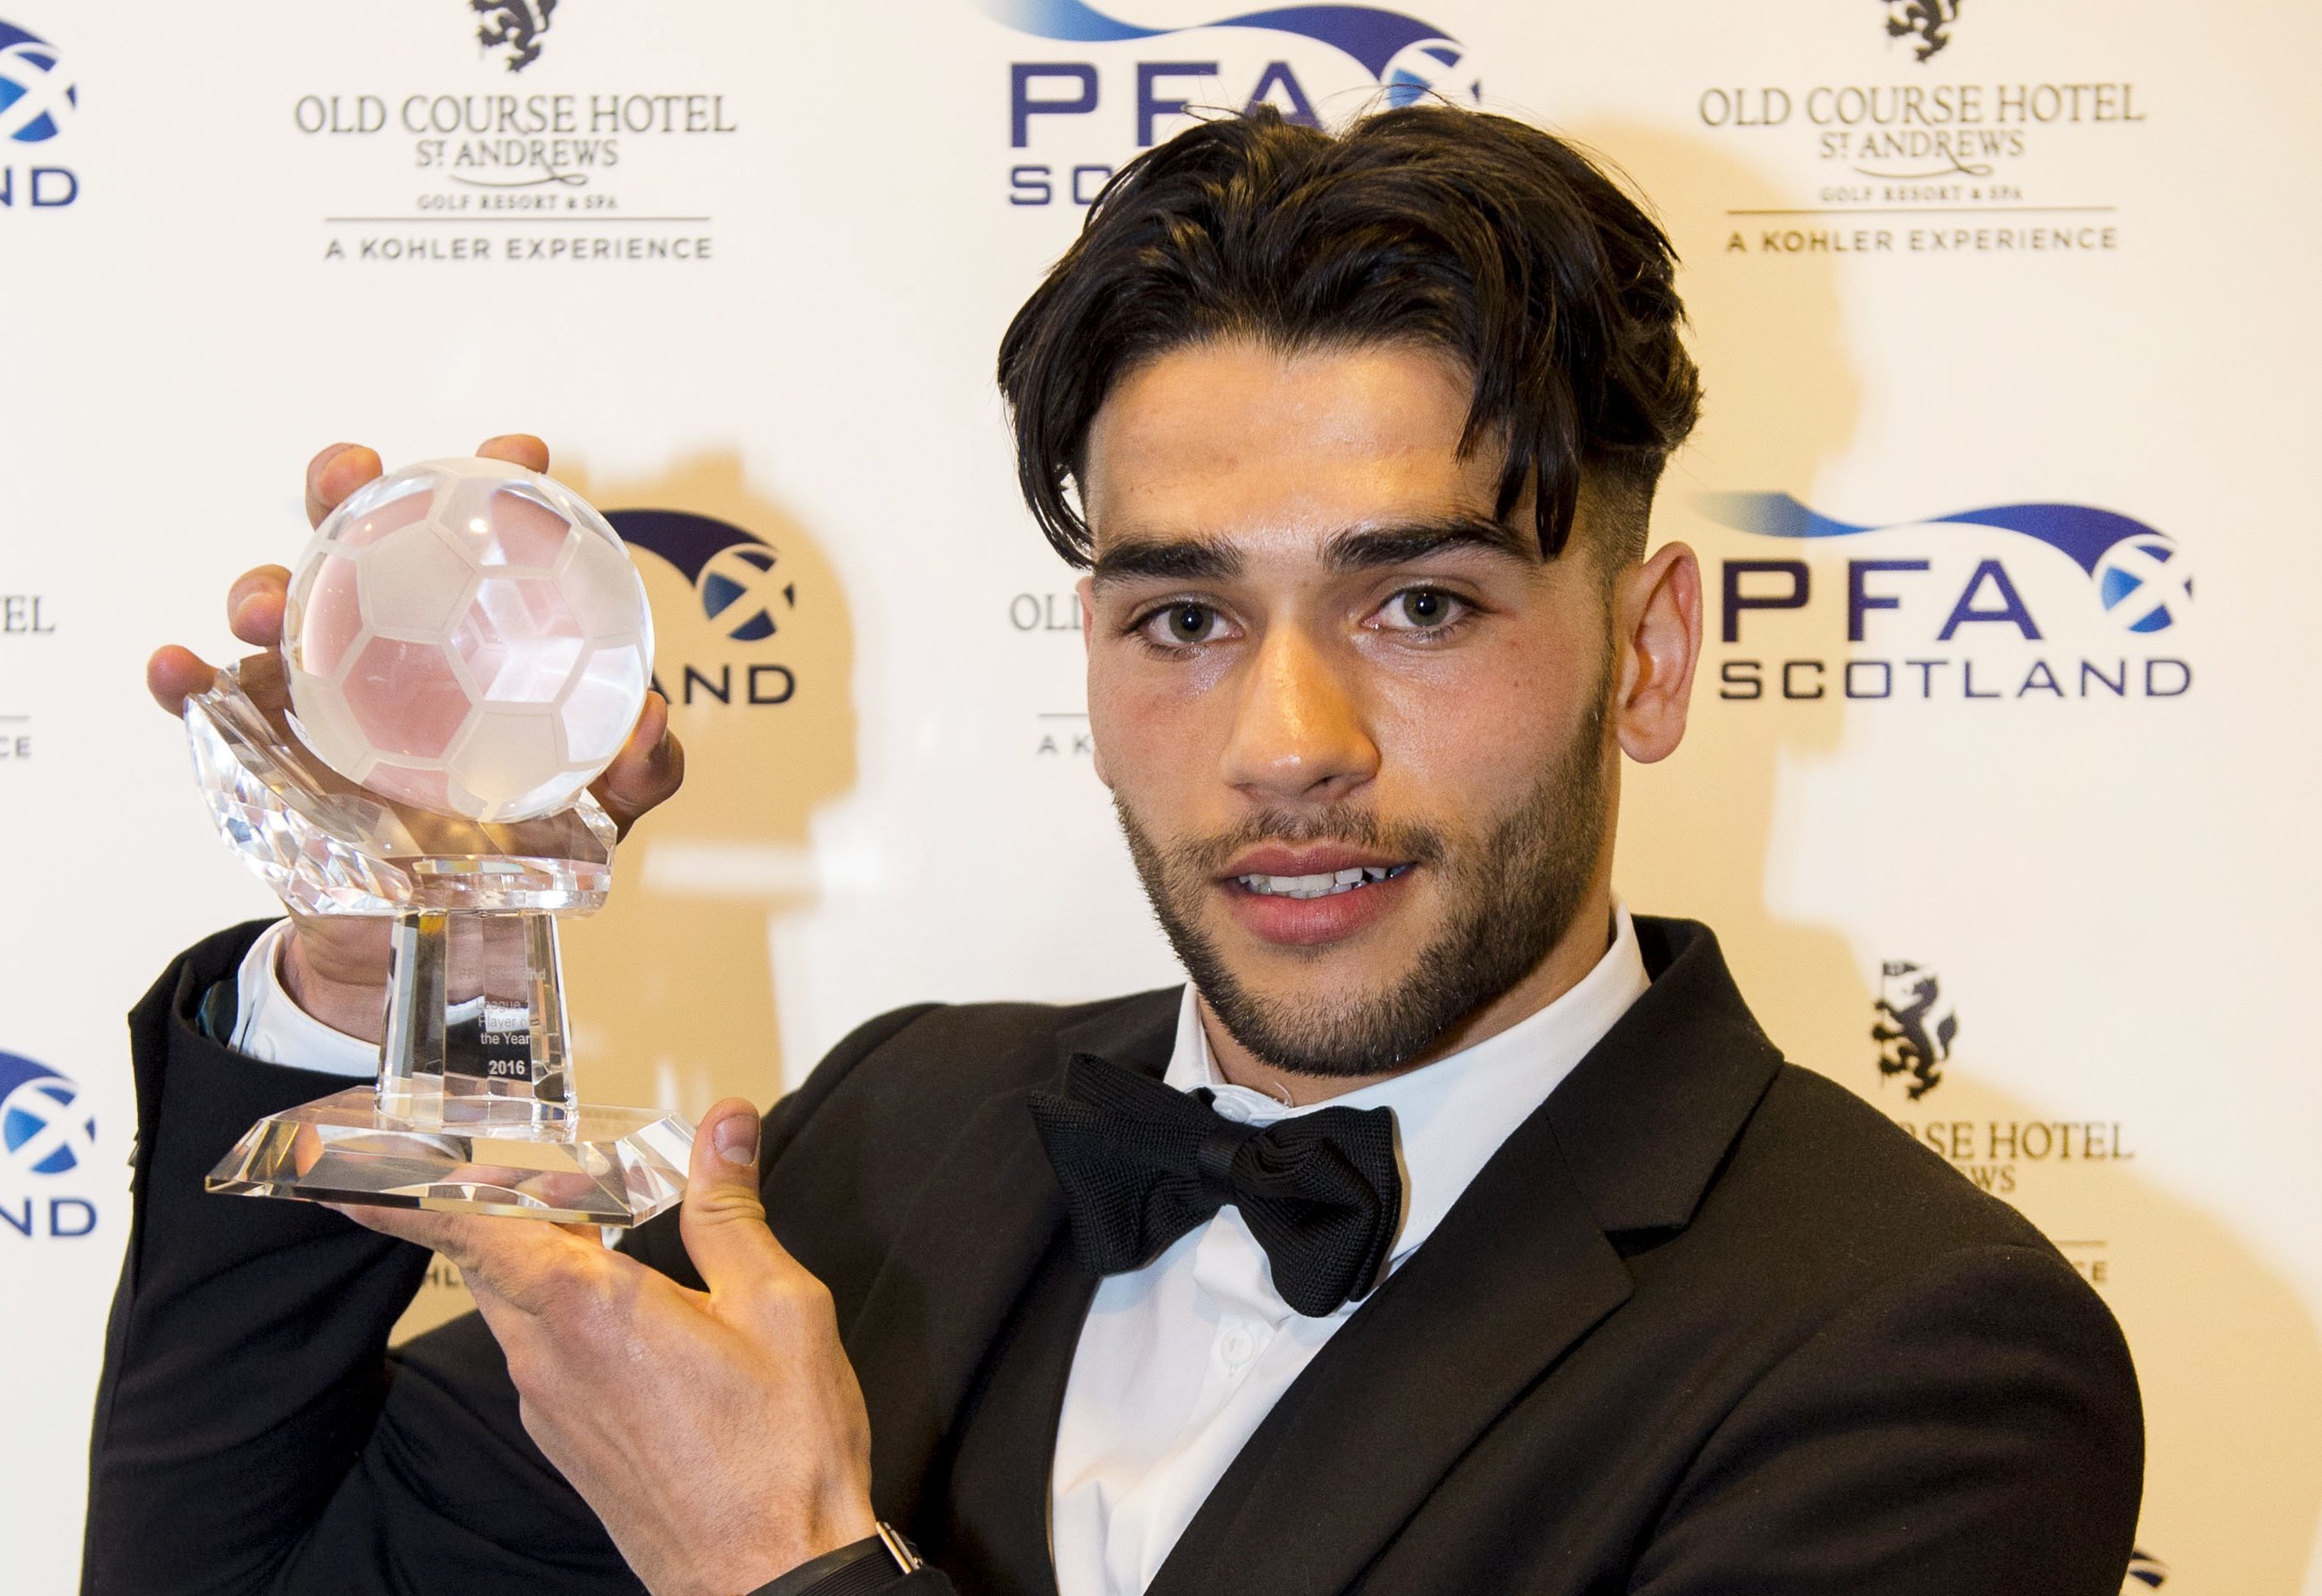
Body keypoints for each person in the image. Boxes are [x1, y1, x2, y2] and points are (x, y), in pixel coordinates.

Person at [85, 106, 2142, 1596]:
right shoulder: (900, 1133)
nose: (1284, 745)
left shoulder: (1921, 1358)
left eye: (1416, 604)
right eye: (1182, 617)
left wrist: (777, 1570)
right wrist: (373, 959)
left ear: (1651, 648)